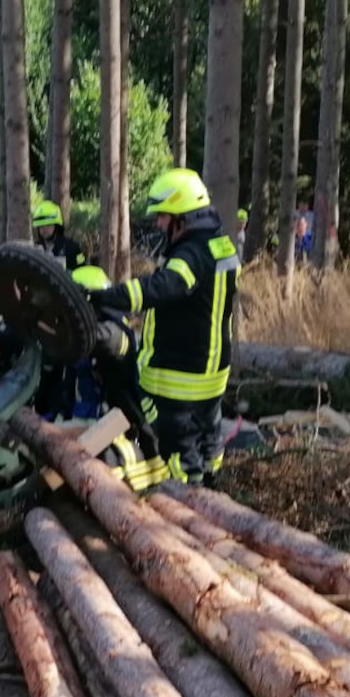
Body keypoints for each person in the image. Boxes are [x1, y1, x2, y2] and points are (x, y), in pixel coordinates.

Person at [89, 168, 239, 487]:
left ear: (182, 217)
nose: (159, 223)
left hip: (182, 378)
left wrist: (103, 298)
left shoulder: (190, 256)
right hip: (213, 372)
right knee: (210, 440)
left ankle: (189, 506)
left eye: (163, 216)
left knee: (179, 452)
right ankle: (216, 494)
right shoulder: (220, 245)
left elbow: (157, 290)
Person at [70, 266, 166, 491]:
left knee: (78, 460)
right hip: (107, 418)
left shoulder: (112, 333)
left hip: (123, 427)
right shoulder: (105, 327)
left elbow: (87, 339)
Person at [32, 200, 86, 270]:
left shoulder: (71, 247)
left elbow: (81, 270)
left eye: (48, 225)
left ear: (57, 226)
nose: (44, 229)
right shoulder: (35, 249)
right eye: (41, 226)